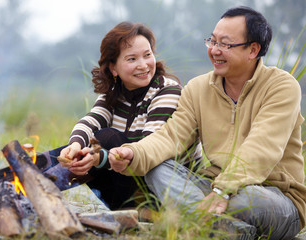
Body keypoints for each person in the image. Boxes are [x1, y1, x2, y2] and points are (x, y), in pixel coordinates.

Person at [108, 6, 306, 239]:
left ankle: (198, 221)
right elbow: (171, 136)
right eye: (212, 41)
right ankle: (224, 230)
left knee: (248, 198)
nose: (214, 50)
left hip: (274, 197)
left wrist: (224, 190)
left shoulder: (282, 86)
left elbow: (261, 147)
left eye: (225, 44)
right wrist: (134, 152)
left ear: (253, 50)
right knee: (157, 167)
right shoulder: (198, 88)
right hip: (213, 190)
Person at [44, 21, 200, 210]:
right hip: (127, 185)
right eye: (132, 59)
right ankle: (23, 186)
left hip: (168, 186)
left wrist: (97, 158)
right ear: (113, 68)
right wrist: (75, 146)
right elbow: (91, 121)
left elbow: (148, 149)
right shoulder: (113, 94)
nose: (143, 65)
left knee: (105, 139)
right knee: (82, 148)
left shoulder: (167, 91)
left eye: (147, 55)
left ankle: (34, 186)